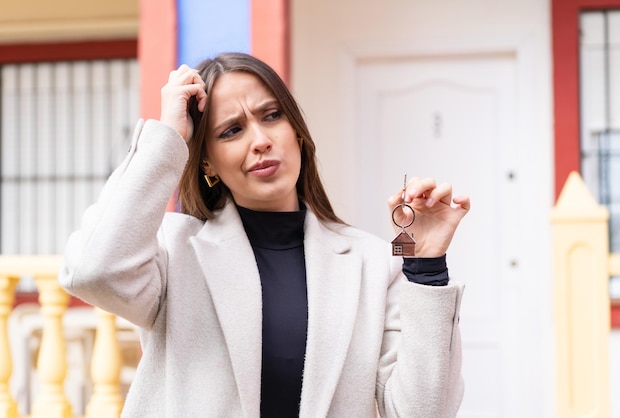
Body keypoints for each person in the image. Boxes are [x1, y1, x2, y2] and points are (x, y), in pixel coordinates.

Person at [59, 52, 470, 418]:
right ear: (208, 163)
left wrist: (426, 264)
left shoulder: (374, 263)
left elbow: (423, 411)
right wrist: (167, 137)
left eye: (272, 116)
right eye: (231, 131)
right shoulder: (173, 250)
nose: (260, 141)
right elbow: (94, 271)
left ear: (298, 133)